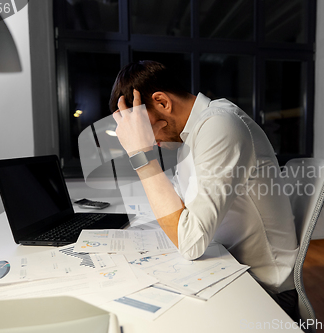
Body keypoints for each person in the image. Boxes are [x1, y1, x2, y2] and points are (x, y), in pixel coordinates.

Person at [110, 60, 299, 320]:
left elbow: (190, 242)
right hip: (229, 268)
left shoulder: (220, 126)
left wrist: (140, 156)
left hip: (265, 289)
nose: (150, 139)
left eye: (143, 127)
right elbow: (178, 210)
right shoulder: (192, 134)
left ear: (163, 102)